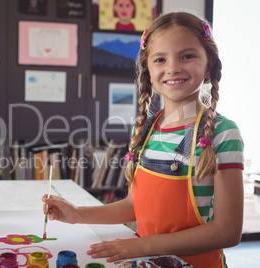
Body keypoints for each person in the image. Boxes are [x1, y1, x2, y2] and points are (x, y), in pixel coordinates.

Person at [42, 12, 244, 268]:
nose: (173, 67)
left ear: (209, 64)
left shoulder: (222, 133)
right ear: (148, 70)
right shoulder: (148, 130)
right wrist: (77, 215)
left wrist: (142, 245)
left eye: (188, 56)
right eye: (160, 59)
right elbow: (135, 206)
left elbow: (227, 232)